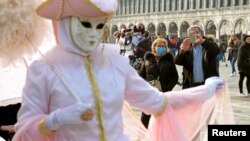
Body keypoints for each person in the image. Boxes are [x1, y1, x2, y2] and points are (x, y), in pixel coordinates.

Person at [11, 0, 227, 141]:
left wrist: (204, 91)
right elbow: (23, 133)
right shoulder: (44, 70)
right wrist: (55, 120)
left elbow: (157, 103)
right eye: (86, 25)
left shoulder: (114, 62)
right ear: (66, 23)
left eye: (99, 26)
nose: (93, 35)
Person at [139, 38, 178, 128]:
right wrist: (145, 88)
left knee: (162, 118)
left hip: (163, 94)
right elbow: (141, 76)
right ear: (154, 47)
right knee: (146, 118)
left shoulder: (169, 60)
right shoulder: (147, 59)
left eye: (163, 46)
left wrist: (166, 88)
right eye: (159, 46)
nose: (161, 48)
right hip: (149, 94)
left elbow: (174, 77)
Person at [175, 25, 221, 89]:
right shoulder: (187, 46)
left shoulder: (208, 44)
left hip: (207, 84)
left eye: (196, 32)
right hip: (191, 84)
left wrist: (203, 41)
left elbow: (216, 52)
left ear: (201, 33)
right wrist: (183, 51)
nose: (194, 35)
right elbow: (178, 62)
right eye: (191, 34)